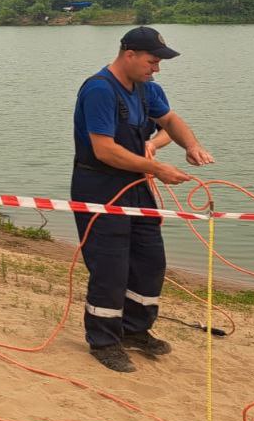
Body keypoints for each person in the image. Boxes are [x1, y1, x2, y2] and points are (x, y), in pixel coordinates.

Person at [71, 26, 214, 373]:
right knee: (110, 269)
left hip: (137, 185)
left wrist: (190, 145)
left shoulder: (147, 89)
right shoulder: (99, 90)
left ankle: (136, 330)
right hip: (100, 186)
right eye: (152, 61)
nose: (156, 69)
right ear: (129, 54)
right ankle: (104, 341)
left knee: (150, 262)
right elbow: (104, 150)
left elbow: (170, 120)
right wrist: (157, 168)